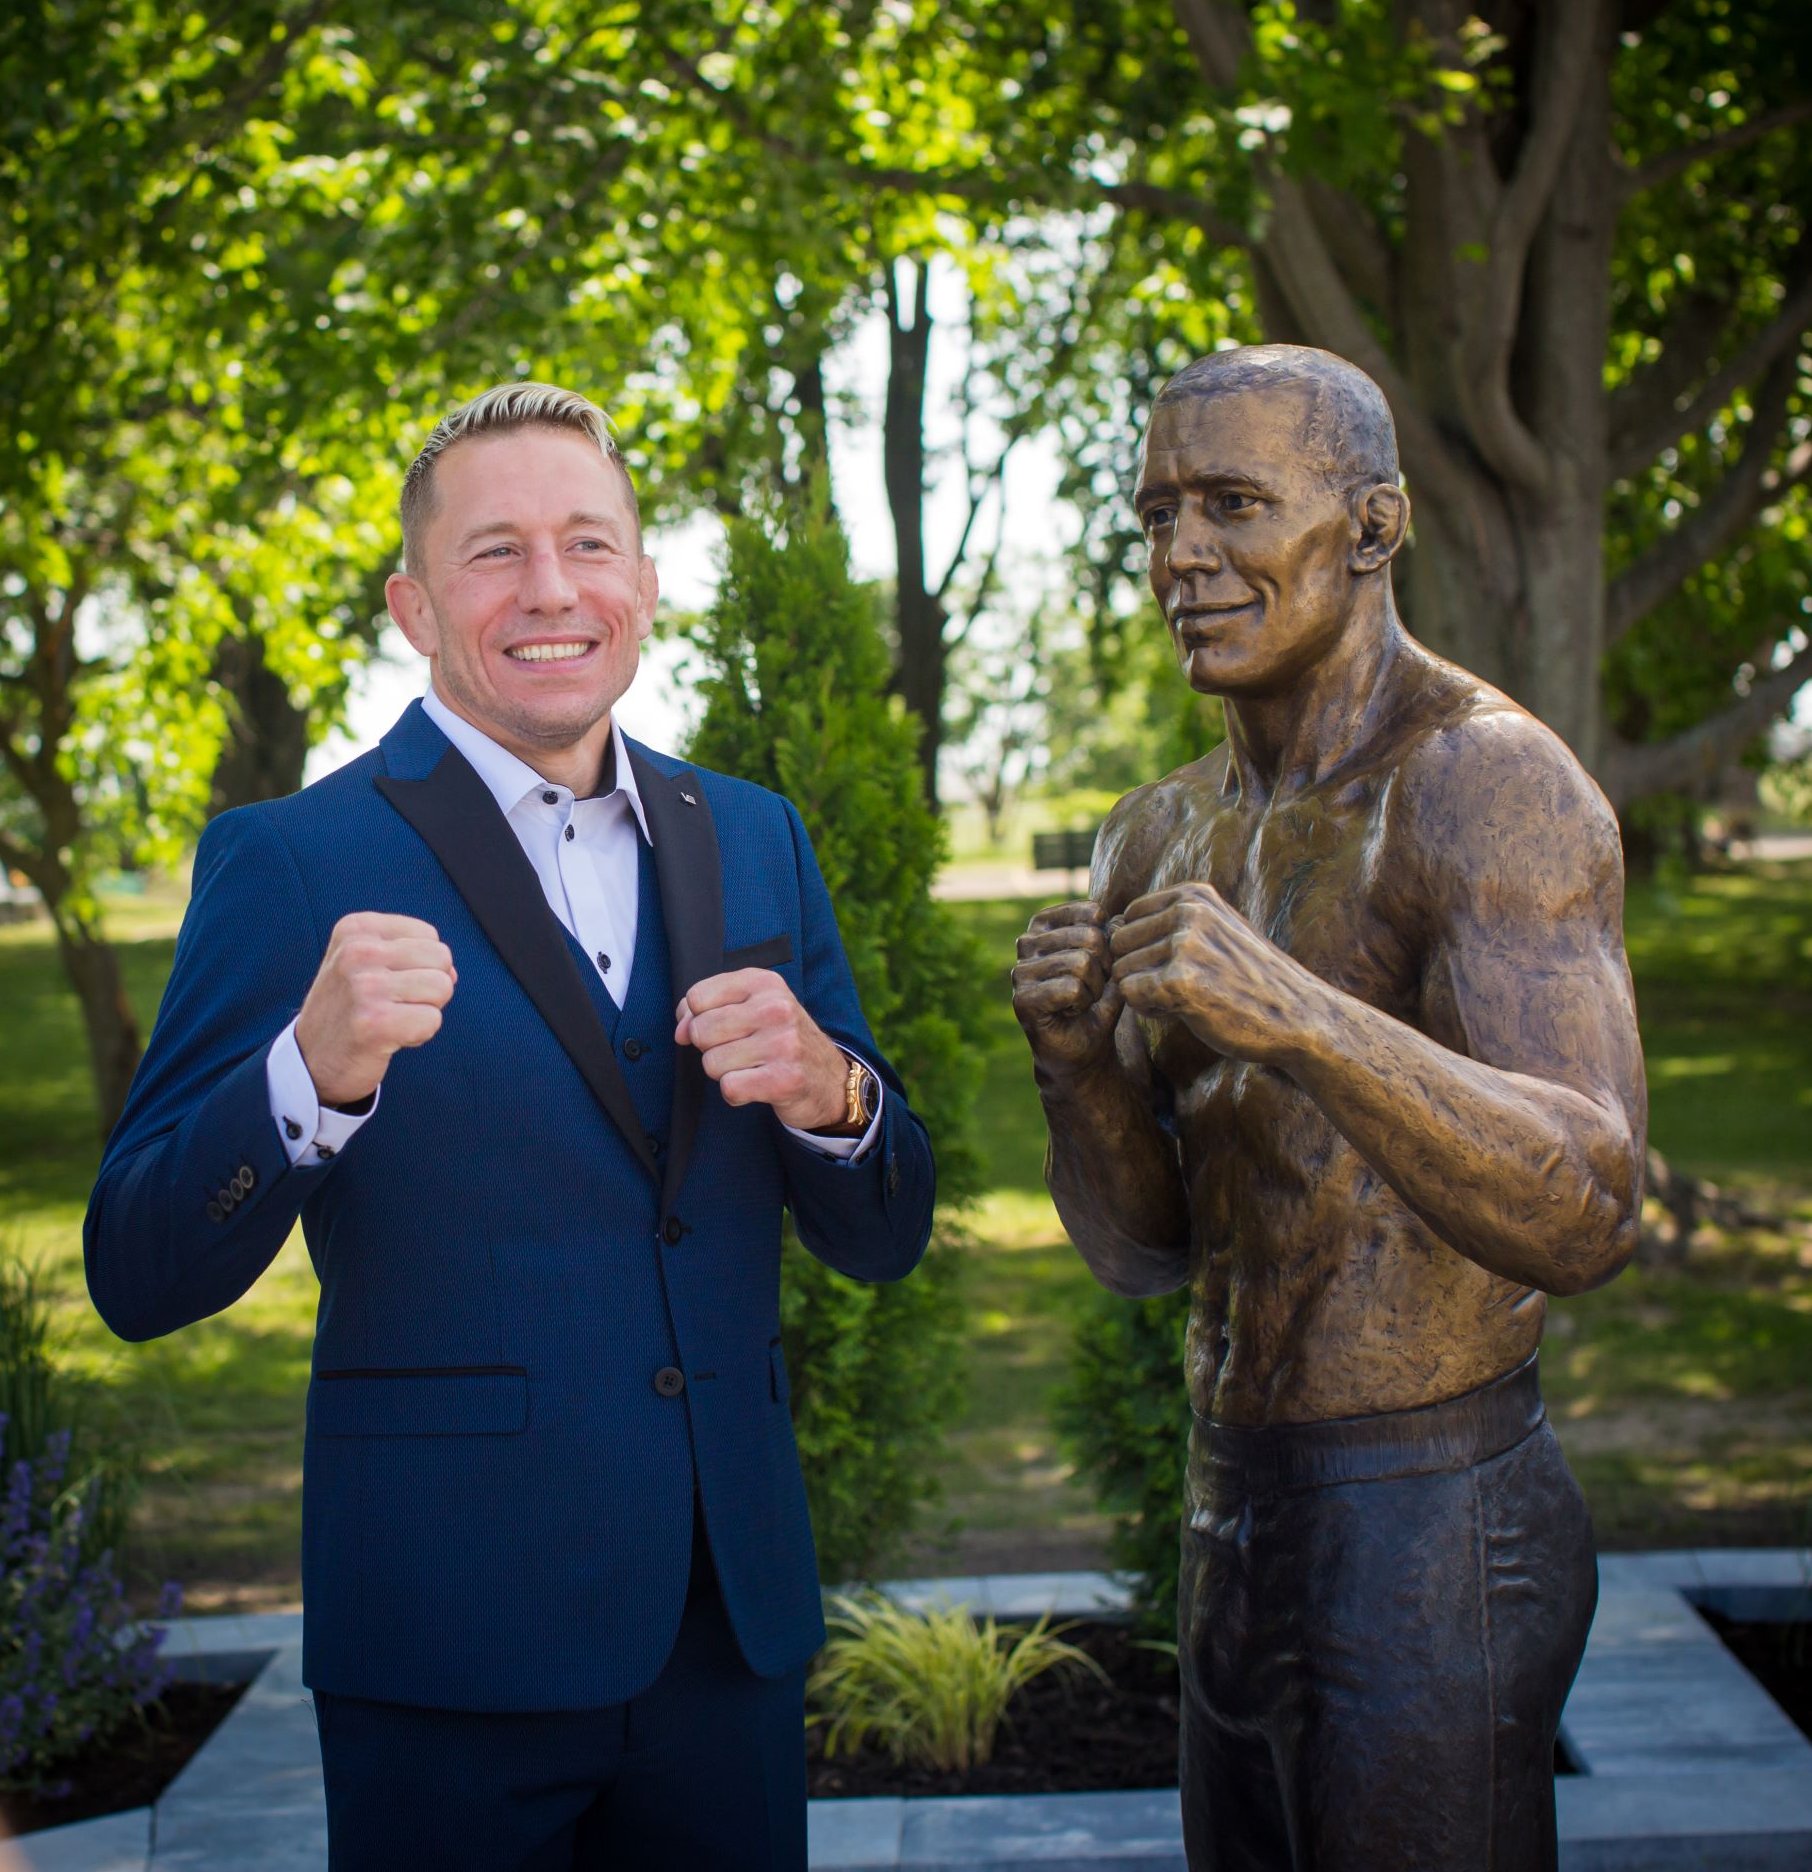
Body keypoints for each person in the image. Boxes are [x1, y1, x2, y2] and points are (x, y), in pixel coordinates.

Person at [84, 383, 935, 1871]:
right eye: (495, 554)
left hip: (724, 1632)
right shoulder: (288, 861)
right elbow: (137, 1270)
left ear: (645, 585)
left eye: (588, 544)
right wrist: (306, 1076)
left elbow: (888, 1228)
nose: (552, 591)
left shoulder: (755, 837)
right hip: (448, 1640)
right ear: (415, 605)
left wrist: (833, 1094)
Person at [1011, 345, 1644, 1872]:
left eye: (1234, 505)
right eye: (1157, 513)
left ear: (1372, 527)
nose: (1181, 558)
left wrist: (1301, 1017)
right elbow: (1148, 1252)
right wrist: (1078, 1071)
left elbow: (1590, 1204)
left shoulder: (1484, 785)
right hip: (1233, 1498)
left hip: (1431, 1512)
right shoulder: (1155, 832)